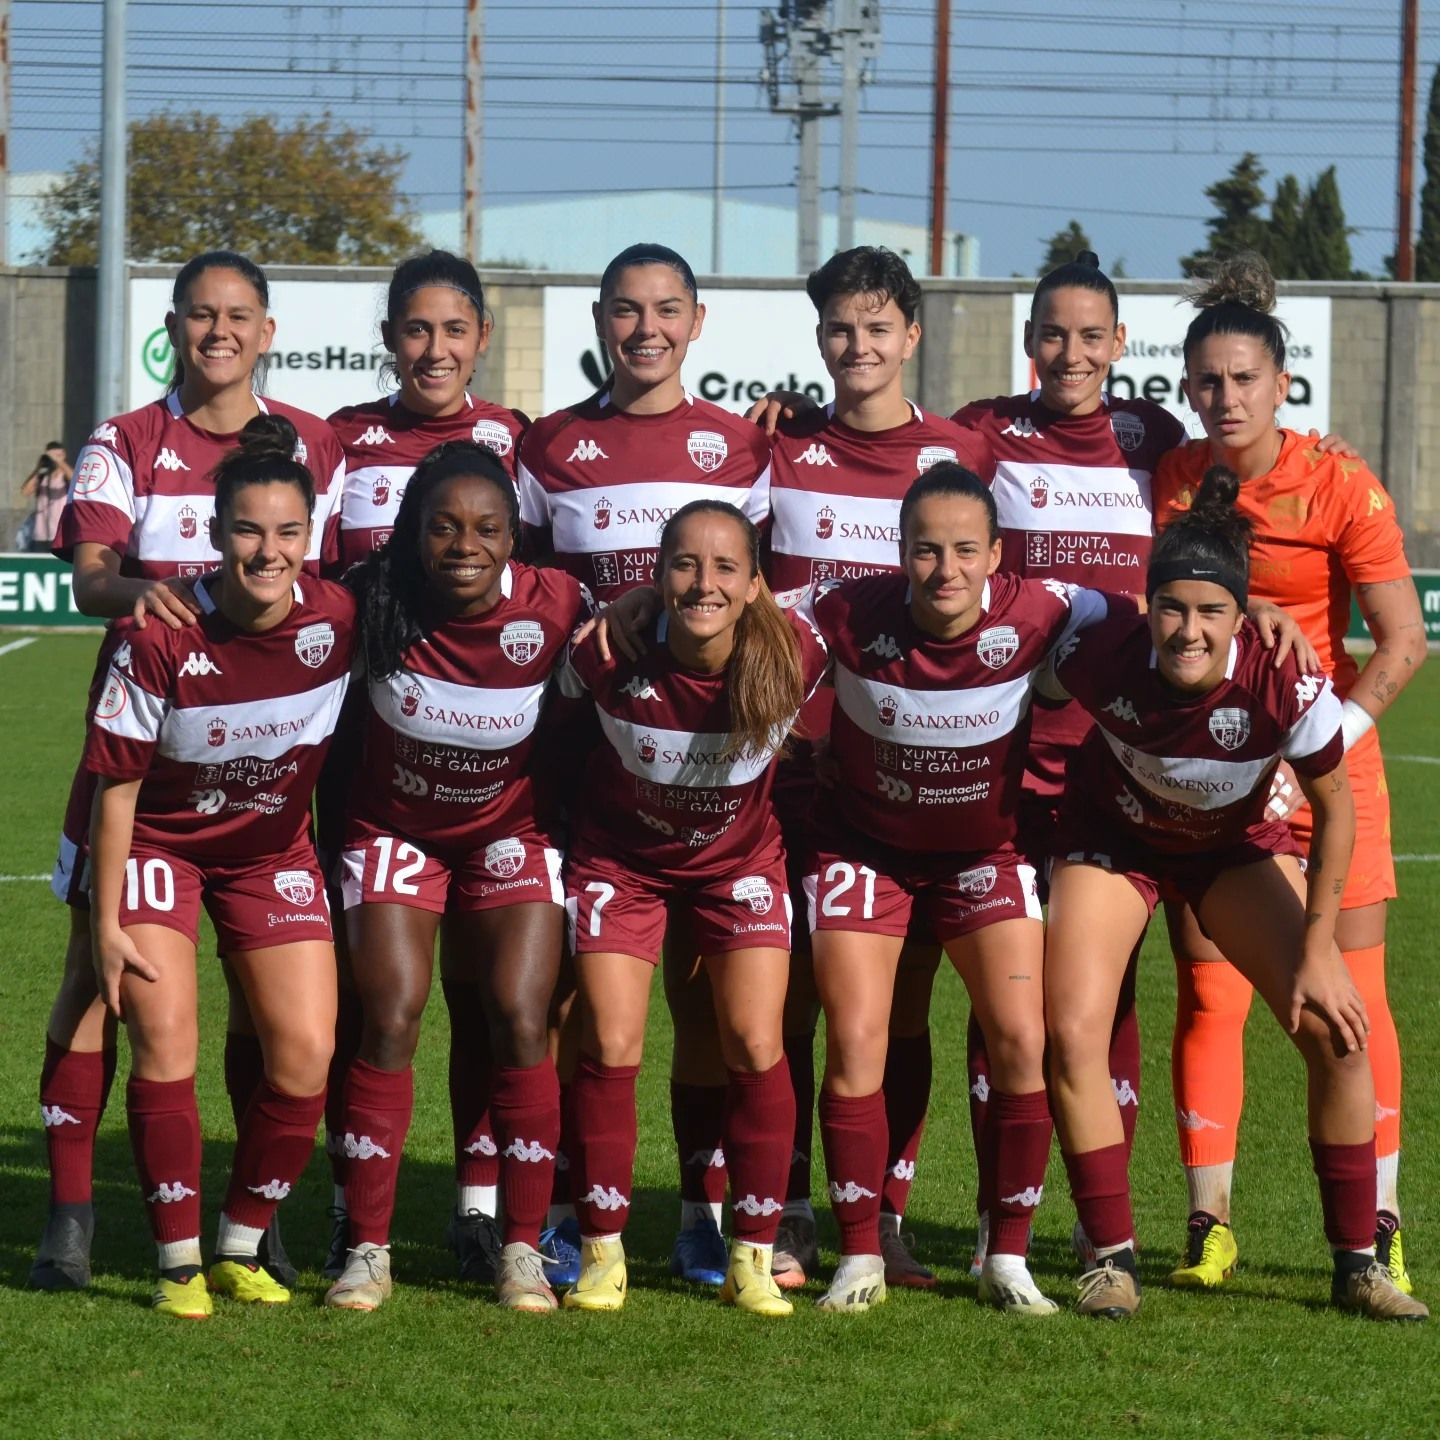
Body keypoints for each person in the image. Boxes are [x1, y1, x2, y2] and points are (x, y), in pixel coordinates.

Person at [1041, 463, 1427, 1322]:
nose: (1187, 631)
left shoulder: (1285, 678)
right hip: (1114, 844)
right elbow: (1035, 644)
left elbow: (1336, 812)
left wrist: (1318, 951)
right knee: (1070, 1033)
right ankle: (1110, 1258)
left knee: (1339, 1031)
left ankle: (1358, 1263)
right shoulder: (1099, 644)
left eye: (1212, 611)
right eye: (1171, 608)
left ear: (1241, 616)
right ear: (1146, 606)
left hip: (1229, 849)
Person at [30, 250, 345, 1293]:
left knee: (275, 1018)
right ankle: (70, 1211)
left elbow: (316, 585)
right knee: (98, 982)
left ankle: (257, 1222)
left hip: (259, 768)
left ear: (267, 330)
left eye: (239, 316)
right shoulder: (125, 442)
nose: (220, 332)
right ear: (175, 326)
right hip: (139, 760)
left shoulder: (315, 445)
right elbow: (88, 578)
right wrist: (143, 596)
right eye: (201, 315)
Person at [1152, 254, 1428, 1293]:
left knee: (1357, 1002)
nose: (1226, 398)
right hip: (1212, 777)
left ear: (1282, 384)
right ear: (1189, 387)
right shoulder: (1175, 477)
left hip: (1328, 777)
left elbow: (1402, 641)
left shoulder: (1340, 481)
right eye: (1208, 381)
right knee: (1207, 995)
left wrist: (1333, 738)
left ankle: (1380, 1222)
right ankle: (1206, 1224)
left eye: (1244, 380)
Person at [517, 243, 773, 1289]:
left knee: (708, 1008)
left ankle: (700, 1215)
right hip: (584, 758)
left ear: (697, 322)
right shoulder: (548, 448)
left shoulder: (749, 448)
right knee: (584, 1008)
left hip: (708, 766)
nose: (645, 329)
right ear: (599, 320)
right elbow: (527, 597)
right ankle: (584, 1209)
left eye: (666, 309)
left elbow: (775, 600)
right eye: (626, 311)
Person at [803, 464, 1108, 1314]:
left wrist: (1258, 608)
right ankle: (859, 1255)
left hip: (985, 856)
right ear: (900, 553)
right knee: (858, 1041)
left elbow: (1141, 612)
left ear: (997, 555)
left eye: (965, 551)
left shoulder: (1046, 606)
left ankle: (1007, 1259)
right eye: (926, 551)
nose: (946, 571)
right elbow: (750, 625)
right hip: (864, 853)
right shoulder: (845, 609)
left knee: (1019, 1038)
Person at [753, 246, 996, 1291]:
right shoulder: (775, 454)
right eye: (840, 331)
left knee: (902, 1009)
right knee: (800, 1001)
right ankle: (800, 1210)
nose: (859, 348)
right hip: (794, 767)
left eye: (877, 328)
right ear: (821, 342)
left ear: (912, 336)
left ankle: (885, 1213)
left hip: (915, 775)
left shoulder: (965, 454)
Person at [85, 415, 356, 1317]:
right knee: (167, 1038)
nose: (266, 552)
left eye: (286, 532)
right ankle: (175, 1262)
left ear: (308, 537)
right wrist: (105, 923)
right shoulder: (158, 633)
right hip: (161, 845)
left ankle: (240, 1240)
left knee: (308, 1050)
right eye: (247, 530)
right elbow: (116, 790)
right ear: (212, 532)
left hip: (269, 853)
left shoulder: (340, 617)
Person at [322, 442, 587, 1313]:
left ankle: (519, 1248)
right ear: (414, 532)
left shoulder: (556, 606)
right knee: (392, 1013)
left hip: (510, 833)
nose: (464, 544)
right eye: (443, 526)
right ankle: (366, 1249)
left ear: (516, 536)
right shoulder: (370, 603)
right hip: (395, 828)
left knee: (517, 1013)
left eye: (486, 528)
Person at [558, 499, 827, 1316]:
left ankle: (750, 1251)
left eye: (723, 567)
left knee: (753, 1039)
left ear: (754, 584)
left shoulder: (797, 652)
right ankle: (602, 1252)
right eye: (684, 564)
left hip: (737, 867)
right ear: (657, 574)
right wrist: (612, 611)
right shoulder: (608, 652)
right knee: (610, 1037)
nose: (703, 582)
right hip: (622, 864)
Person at [324, 251, 534, 1288]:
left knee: (496, 997)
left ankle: (481, 1208)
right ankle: (344, 1209)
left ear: (481, 338)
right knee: (367, 1001)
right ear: (390, 336)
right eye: (416, 329)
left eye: (454, 330)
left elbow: (552, 596)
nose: (435, 349)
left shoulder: (522, 446)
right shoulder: (339, 443)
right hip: (366, 771)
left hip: (505, 773)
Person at [20, 443, 72, 552]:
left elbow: (75, 479)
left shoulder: (65, 476)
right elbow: (25, 492)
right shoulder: (43, 475)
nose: (56, 458)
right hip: (40, 534)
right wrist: (41, 467)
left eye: (59, 455)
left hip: (60, 533)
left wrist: (60, 462)